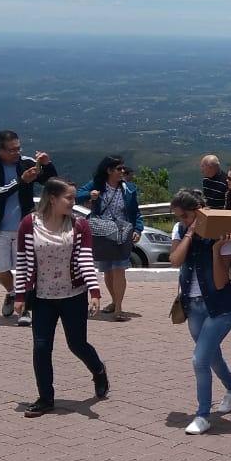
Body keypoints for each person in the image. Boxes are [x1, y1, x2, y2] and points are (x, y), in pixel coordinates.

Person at [13, 178, 108, 417]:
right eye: (69, 198)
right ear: (52, 198)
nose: (73, 203)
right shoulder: (29, 224)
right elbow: (23, 262)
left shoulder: (80, 225)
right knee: (41, 347)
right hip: (43, 297)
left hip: (73, 295)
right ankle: (45, 397)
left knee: (77, 344)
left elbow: (86, 259)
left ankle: (98, 369)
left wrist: (94, 291)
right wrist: (20, 294)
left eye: (74, 198)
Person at [170, 189, 231, 435]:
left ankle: (202, 415)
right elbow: (176, 260)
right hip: (194, 306)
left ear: (200, 210)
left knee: (199, 359)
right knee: (211, 357)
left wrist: (216, 249)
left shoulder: (221, 232)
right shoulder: (180, 230)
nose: (183, 221)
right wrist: (189, 232)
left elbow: (221, 282)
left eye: (187, 216)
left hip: (220, 307)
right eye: (180, 217)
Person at [0, 130, 56, 326]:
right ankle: (12, 293)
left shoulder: (27, 162)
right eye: (12, 150)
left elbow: (51, 182)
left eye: (18, 148)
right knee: (0, 270)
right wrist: (20, 181)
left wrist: (47, 164)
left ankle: (26, 310)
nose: (17, 153)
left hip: (25, 228)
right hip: (0, 229)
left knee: (26, 271)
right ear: (0, 150)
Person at [77, 155, 144, 321]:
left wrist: (138, 228)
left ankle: (119, 308)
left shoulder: (129, 189)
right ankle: (114, 301)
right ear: (109, 170)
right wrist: (89, 195)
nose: (122, 171)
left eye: (123, 168)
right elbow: (76, 195)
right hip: (102, 233)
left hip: (122, 233)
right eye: (119, 169)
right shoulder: (97, 185)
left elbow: (136, 212)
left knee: (119, 270)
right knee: (107, 270)